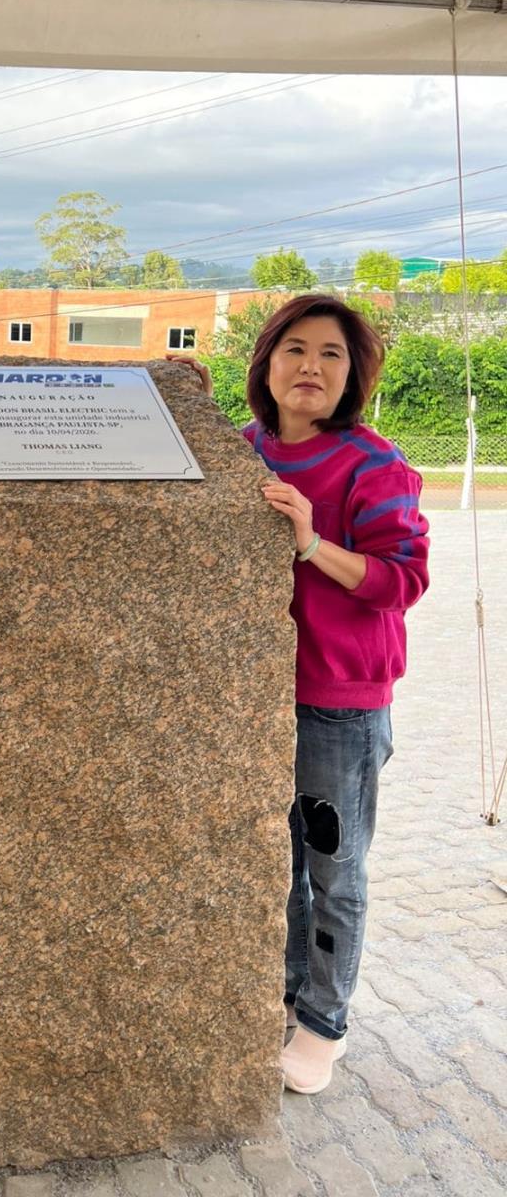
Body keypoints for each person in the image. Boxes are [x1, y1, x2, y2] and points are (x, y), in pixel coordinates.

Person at [241, 294, 429, 1094]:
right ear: (266, 363)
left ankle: (324, 1024)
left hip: (339, 703)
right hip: (249, 698)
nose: (310, 368)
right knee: (270, 866)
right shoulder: (242, 449)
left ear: (353, 375)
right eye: (294, 349)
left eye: (331, 355)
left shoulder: (374, 466)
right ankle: (285, 993)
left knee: (333, 870)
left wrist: (313, 543)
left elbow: (404, 580)